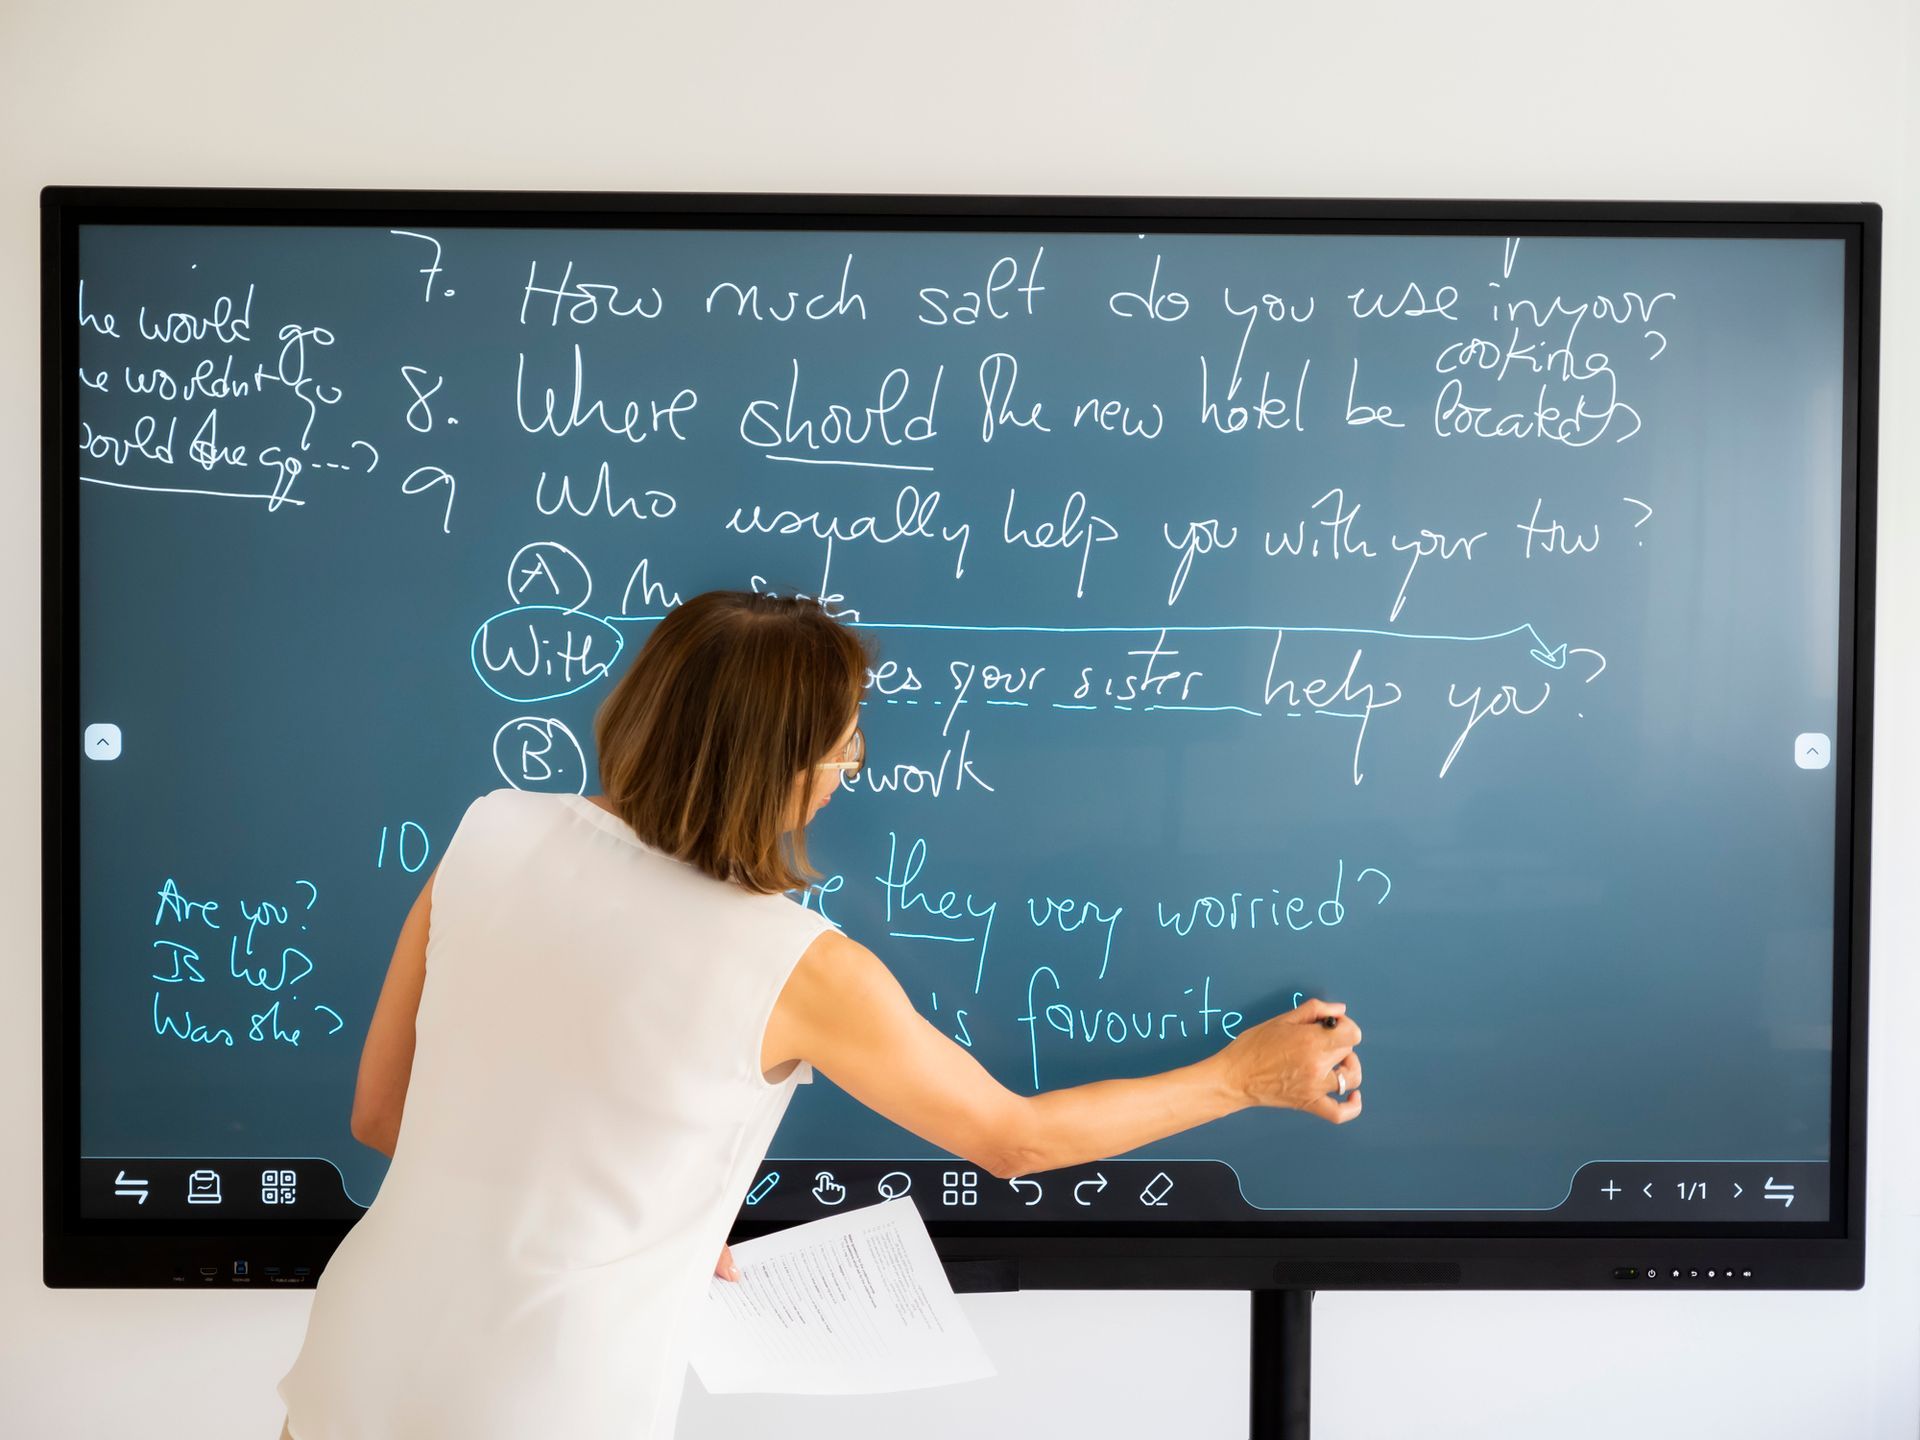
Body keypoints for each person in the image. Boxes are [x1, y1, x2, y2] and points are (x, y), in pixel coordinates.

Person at [274, 589, 1362, 1439]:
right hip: (539, 1397)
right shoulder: (797, 966)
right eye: (845, 744)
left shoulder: (492, 830)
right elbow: (1014, 1138)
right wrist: (1241, 1077)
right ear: (783, 767)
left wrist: (628, 1209)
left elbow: (384, 1115)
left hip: (358, 1348)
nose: (854, 766)